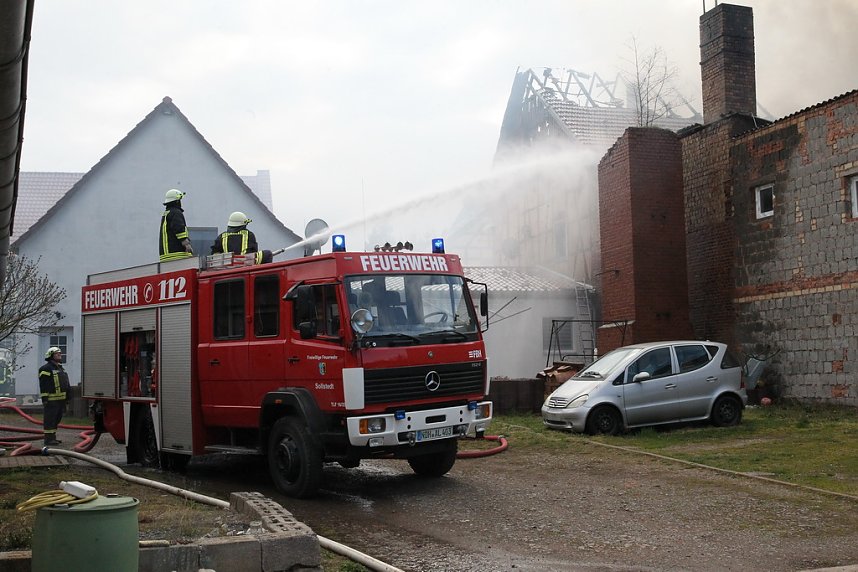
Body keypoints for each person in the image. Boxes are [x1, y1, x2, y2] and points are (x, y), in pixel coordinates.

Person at [39, 347, 70, 446]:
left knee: (57, 419)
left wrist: (68, 397)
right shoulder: (45, 369)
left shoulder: (60, 368)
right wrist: (45, 398)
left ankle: (53, 438)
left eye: (60, 353)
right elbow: (43, 384)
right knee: (50, 420)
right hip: (51, 400)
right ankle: (48, 440)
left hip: (61, 400)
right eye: (57, 354)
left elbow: (65, 383)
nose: (59, 355)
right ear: (51, 355)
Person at [159, 188, 194, 262]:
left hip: (166, 255)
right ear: (177, 201)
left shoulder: (167, 213)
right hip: (177, 254)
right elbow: (179, 229)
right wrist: (186, 244)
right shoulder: (176, 212)